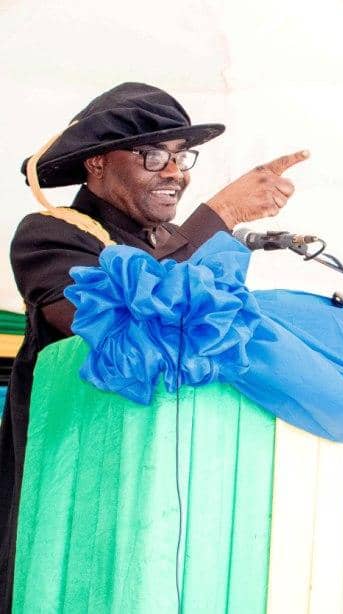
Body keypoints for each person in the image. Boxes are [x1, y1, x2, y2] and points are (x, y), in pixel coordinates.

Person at [0, 82, 307, 612]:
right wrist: (221, 214)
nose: (175, 172)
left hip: (168, 496)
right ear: (97, 162)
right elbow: (119, 321)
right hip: (72, 485)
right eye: (153, 155)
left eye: (180, 156)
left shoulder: (170, 243)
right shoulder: (53, 234)